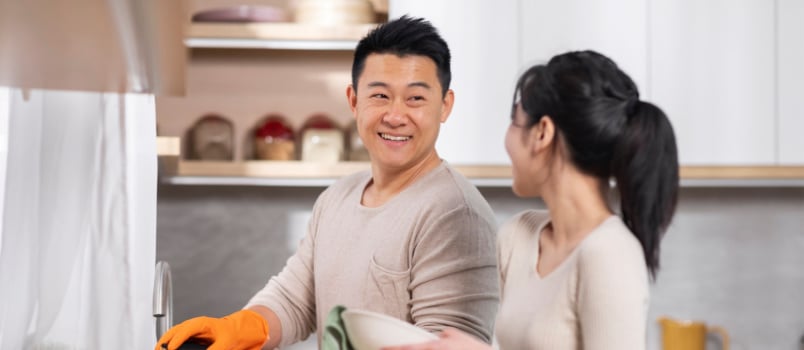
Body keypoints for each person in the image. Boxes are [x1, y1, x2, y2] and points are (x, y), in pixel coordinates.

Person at [156, 16, 500, 350]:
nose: (396, 116)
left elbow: (443, 344)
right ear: (354, 101)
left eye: (415, 98)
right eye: (380, 96)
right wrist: (243, 328)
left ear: (445, 106)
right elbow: (294, 300)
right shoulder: (338, 198)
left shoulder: (455, 214)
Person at [386, 50, 679, 350]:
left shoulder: (610, 252)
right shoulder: (518, 237)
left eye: (514, 122)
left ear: (542, 133)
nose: (507, 141)